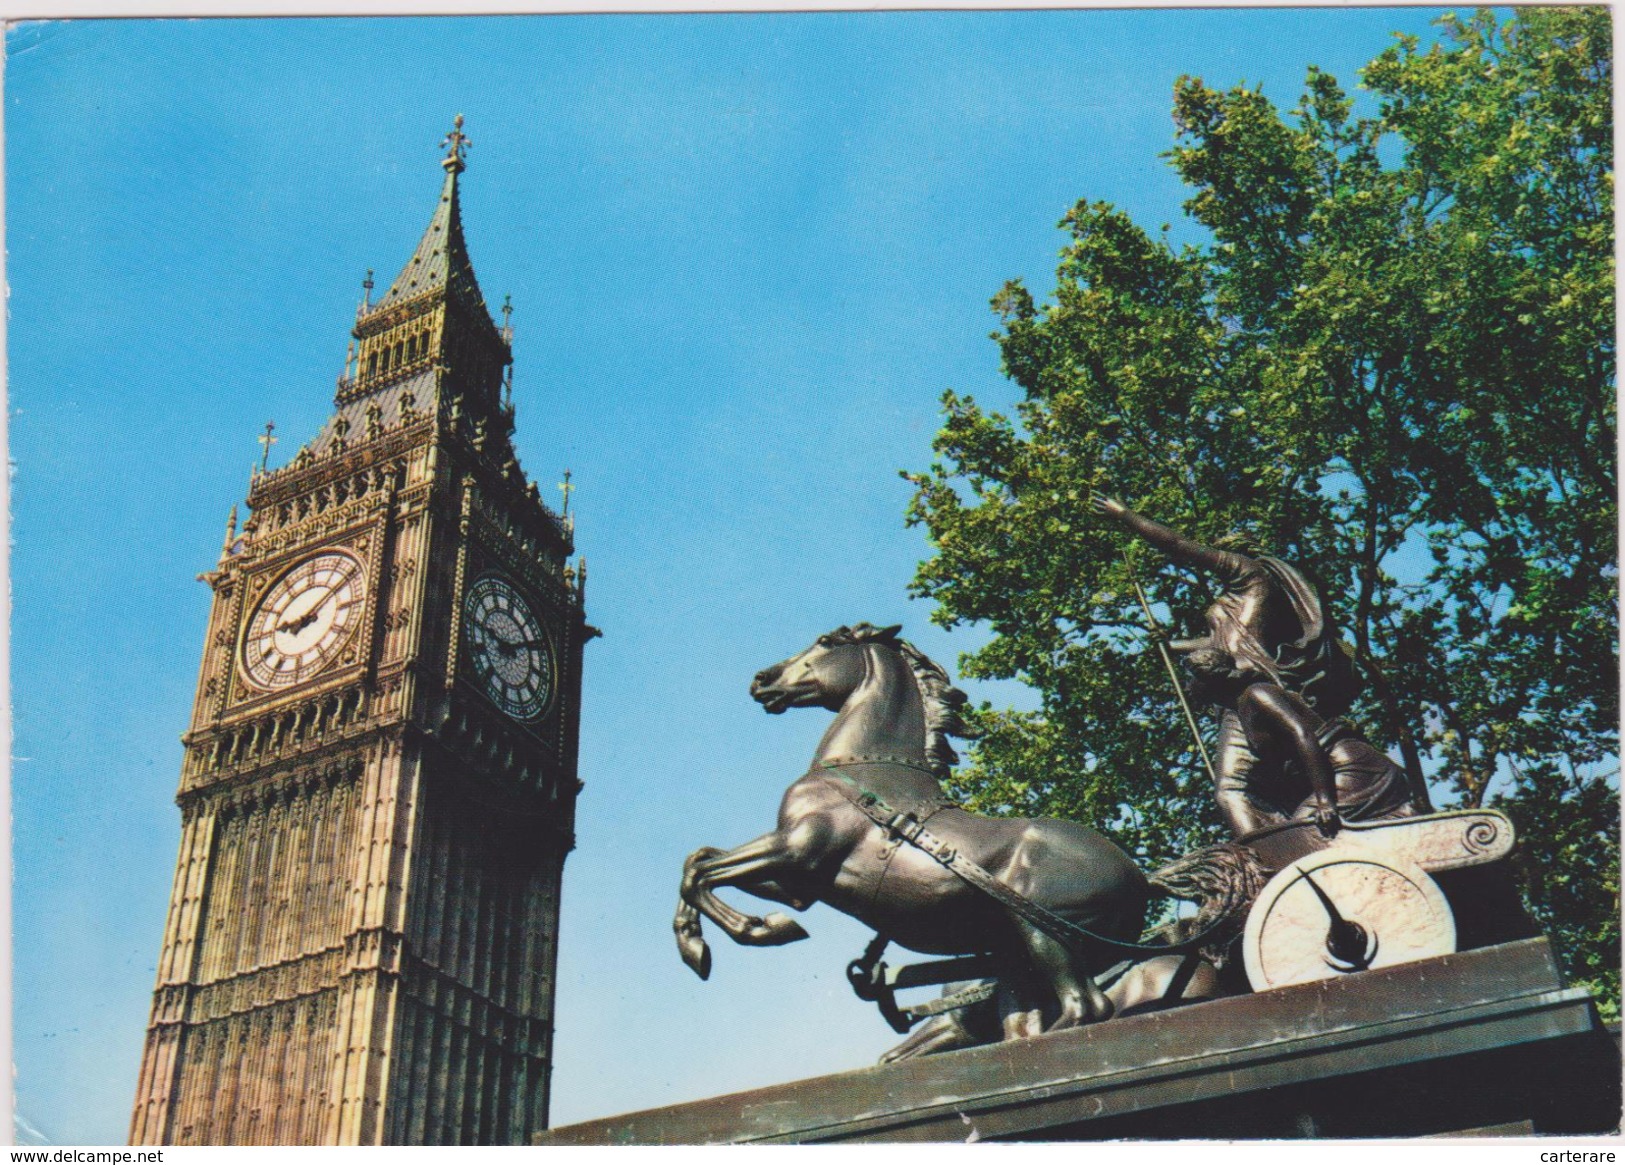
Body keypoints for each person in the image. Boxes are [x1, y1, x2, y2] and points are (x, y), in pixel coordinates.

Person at [1091, 492, 1361, 836]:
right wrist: (1170, 644)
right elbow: (1222, 642)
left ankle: (1278, 848)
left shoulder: (1253, 576)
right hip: (1232, 699)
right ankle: (1269, 852)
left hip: (1255, 685)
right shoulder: (1233, 602)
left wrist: (1126, 516)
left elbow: (1179, 545)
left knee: (1237, 789)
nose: (1219, 559)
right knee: (1230, 791)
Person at [1182, 647, 1413, 836]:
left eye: (1190, 679)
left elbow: (1302, 734)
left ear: (1208, 677)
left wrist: (1325, 801)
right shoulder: (1242, 708)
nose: (1186, 687)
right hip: (1337, 772)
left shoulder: (1257, 693)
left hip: (1353, 770)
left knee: (1299, 834)